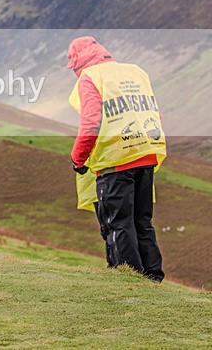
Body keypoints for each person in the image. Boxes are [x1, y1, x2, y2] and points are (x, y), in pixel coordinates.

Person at [67, 36, 166, 281]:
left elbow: (91, 121)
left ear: (78, 63)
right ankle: (153, 277)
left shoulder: (91, 77)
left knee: (118, 223)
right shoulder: (135, 72)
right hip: (146, 152)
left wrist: (78, 159)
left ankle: (128, 280)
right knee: (142, 221)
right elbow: (153, 111)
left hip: (115, 161)